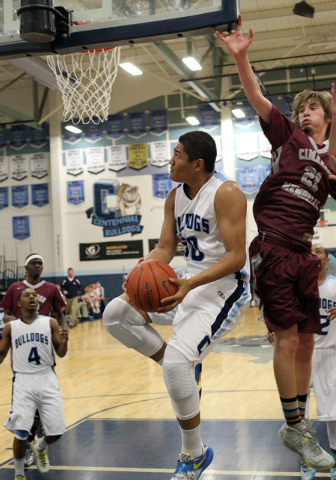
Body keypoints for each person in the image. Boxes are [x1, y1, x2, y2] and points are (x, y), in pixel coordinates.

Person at [213, 15, 336, 469]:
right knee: (289, 340)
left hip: (303, 254)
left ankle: (299, 425)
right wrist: (241, 57)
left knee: (309, 341)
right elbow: (256, 95)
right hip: (272, 245)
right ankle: (295, 426)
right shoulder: (287, 137)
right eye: (305, 108)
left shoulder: (335, 162)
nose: (307, 112)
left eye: (315, 108)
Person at [103, 130, 250, 480]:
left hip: (222, 289)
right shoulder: (174, 196)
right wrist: (140, 269)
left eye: (177, 154)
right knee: (115, 314)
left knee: (175, 366)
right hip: (186, 282)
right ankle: (182, 363)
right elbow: (165, 248)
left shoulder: (226, 193)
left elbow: (235, 257)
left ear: (197, 164)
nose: (170, 159)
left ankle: (194, 453)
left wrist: (190, 284)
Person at [0, 253, 67, 467]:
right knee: (26, 411)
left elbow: (61, 313)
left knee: (42, 408)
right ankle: (28, 448)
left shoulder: (51, 289)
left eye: (40, 263)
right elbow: (6, 315)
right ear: (26, 266)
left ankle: (38, 441)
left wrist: (64, 331)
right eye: (34, 263)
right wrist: (24, 323)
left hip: (45, 346)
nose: (37, 266)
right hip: (24, 347)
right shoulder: (15, 288)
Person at [301, 244, 336, 480]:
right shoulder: (297, 286)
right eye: (310, 251)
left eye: (319, 251)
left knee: (335, 415)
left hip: (327, 355)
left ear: (326, 261)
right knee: (298, 415)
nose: (314, 253)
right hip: (300, 355)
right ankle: (306, 461)